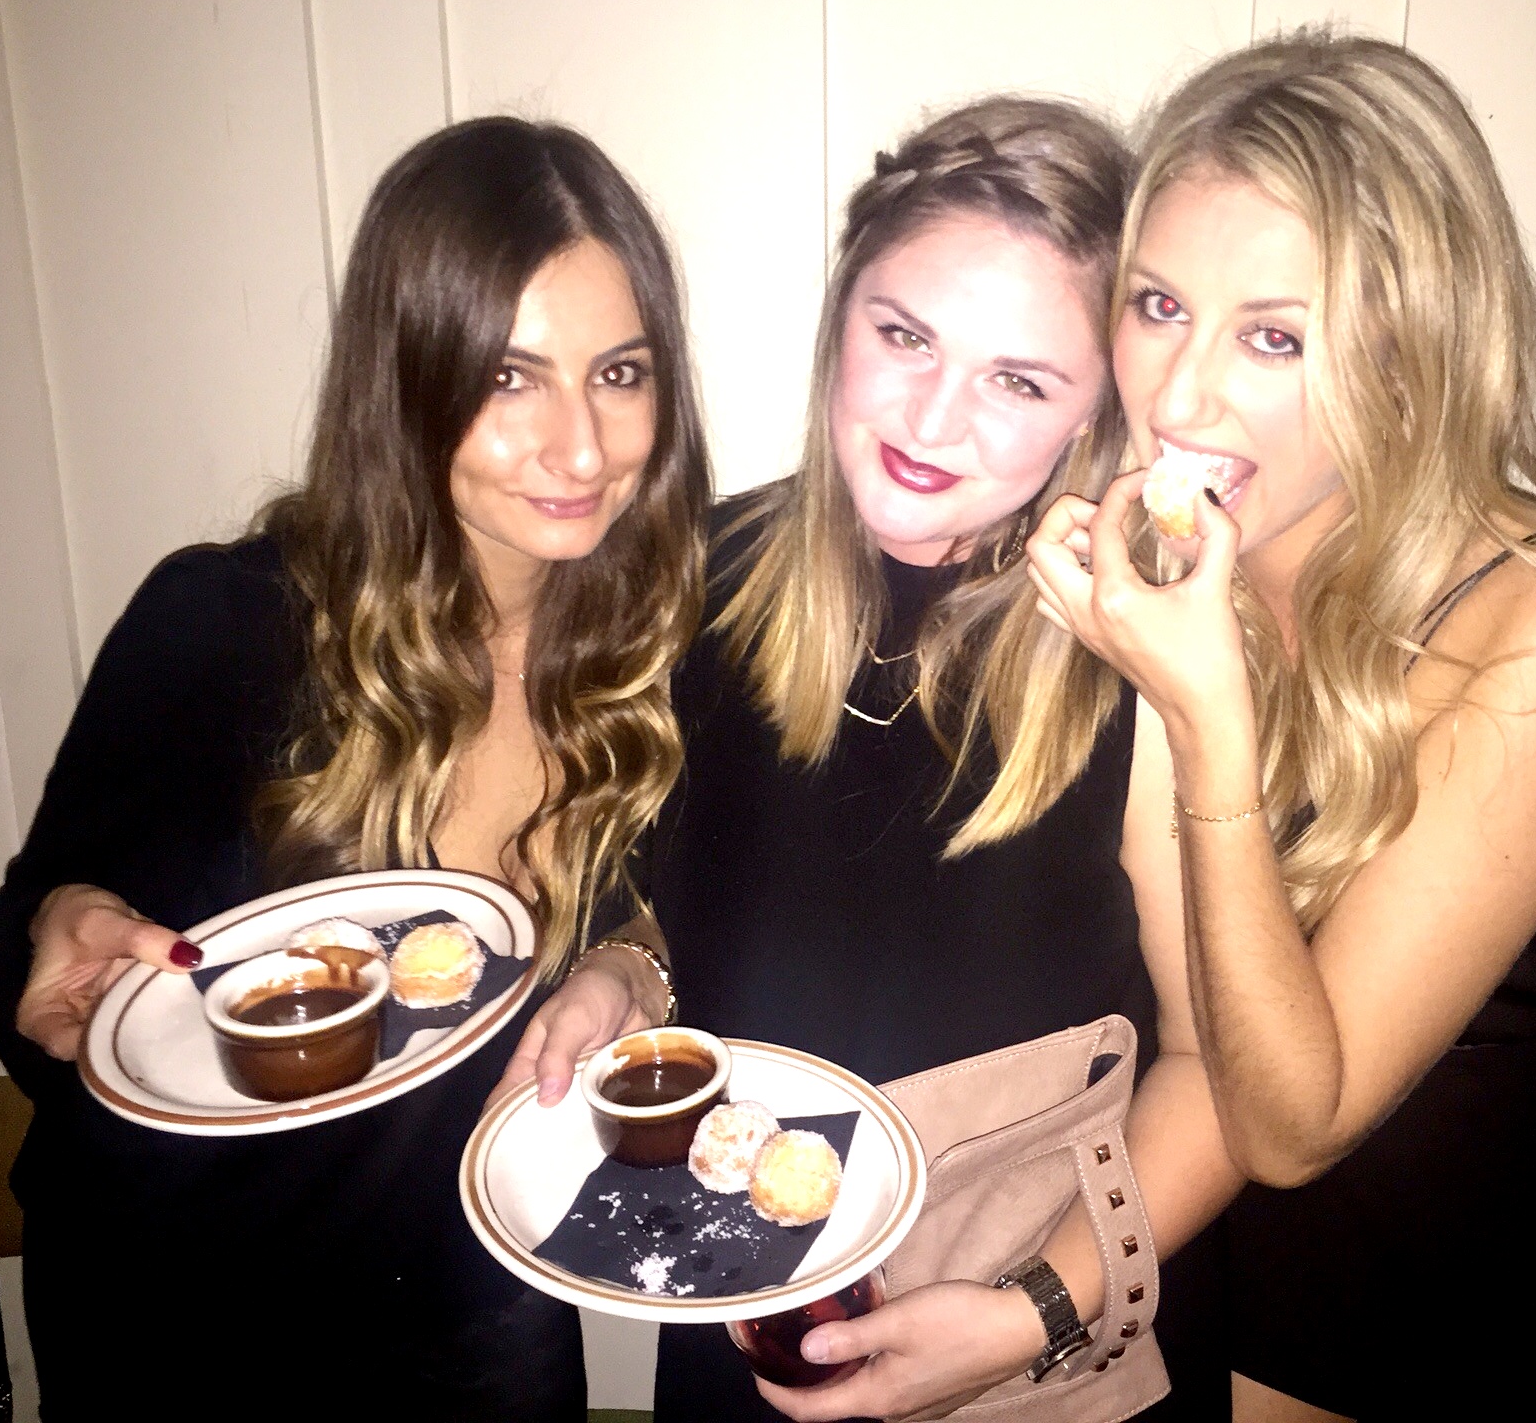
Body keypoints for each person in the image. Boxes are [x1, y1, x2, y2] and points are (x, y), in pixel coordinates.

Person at [504, 97, 1240, 1420]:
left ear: (1093, 416)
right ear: (841, 313)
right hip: (739, 1327)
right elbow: (690, 909)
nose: (934, 420)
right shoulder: (694, 581)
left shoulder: (1143, 652)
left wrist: (1031, 1314)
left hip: (1026, 1355)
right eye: (904, 337)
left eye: (1019, 382)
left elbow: (1221, 1069)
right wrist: (625, 969)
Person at [1028, 32, 1536, 1420]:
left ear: (1412, 355)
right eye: (1158, 305)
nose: (1176, 397)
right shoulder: (1162, 556)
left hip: (1492, 1266)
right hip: (1221, 1227)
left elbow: (1298, 1123)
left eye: (1273, 336)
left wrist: (1201, 718)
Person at [0, 116, 708, 1419]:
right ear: (407, 381)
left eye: (619, 373)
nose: (583, 448)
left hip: (478, 1312)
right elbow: (29, 938)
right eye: (510, 378)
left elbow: (680, 908)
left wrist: (627, 965)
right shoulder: (223, 627)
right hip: (181, 1325)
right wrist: (56, 928)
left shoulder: (659, 656)